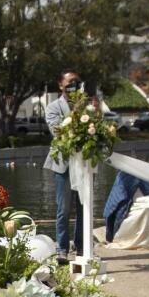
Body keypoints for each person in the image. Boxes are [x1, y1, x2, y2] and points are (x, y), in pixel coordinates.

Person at [45, 69, 86, 255]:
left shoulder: (87, 106)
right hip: (63, 165)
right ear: (61, 85)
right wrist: (76, 112)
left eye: (76, 82)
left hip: (84, 165)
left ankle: (81, 246)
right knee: (63, 209)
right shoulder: (53, 107)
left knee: (83, 207)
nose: (73, 86)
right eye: (69, 82)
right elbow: (58, 132)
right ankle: (62, 248)